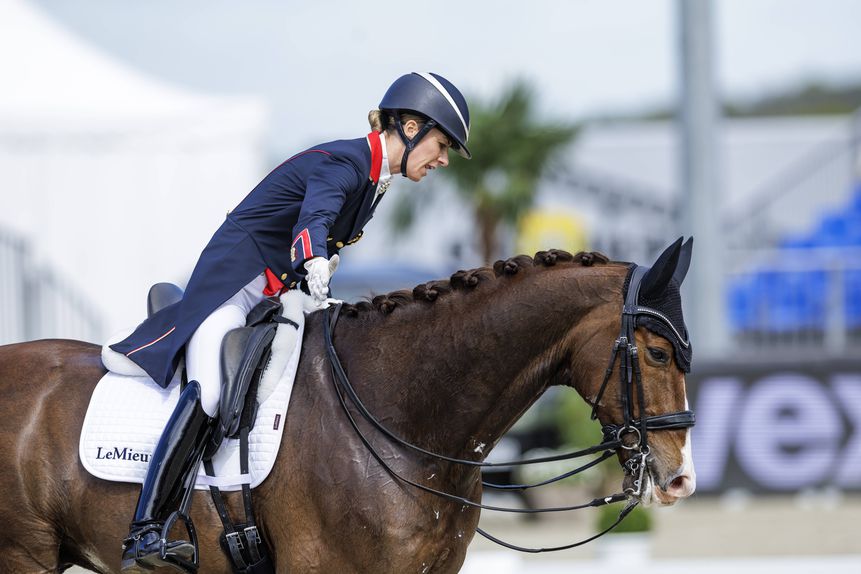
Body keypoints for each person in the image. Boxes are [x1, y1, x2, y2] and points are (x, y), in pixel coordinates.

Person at [112, 72, 471, 572]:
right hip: (234, 285)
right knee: (210, 391)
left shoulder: (375, 181)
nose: (443, 159)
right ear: (411, 128)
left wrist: (317, 271)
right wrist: (315, 258)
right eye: (442, 145)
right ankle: (145, 530)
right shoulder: (346, 162)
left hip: (271, 294)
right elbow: (313, 220)